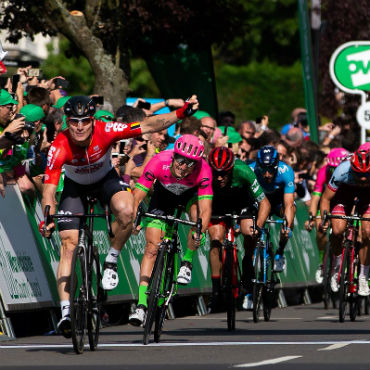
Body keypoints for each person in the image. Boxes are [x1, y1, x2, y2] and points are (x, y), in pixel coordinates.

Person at [39, 95, 199, 337]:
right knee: (68, 244)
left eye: (85, 121)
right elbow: (49, 190)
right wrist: (48, 215)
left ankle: (111, 260)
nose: (80, 127)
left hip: (105, 180)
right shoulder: (59, 146)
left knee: (127, 210)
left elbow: (147, 125)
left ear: (93, 120)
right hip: (75, 187)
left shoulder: (107, 130)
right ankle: (65, 314)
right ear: (67, 122)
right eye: (74, 122)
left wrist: (180, 114)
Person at [128, 134, 213, 326]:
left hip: (189, 197)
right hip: (163, 197)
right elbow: (138, 194)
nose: (183, 167)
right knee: (151, 248)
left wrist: (200, 230)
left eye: (190, 163)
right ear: (174, 156)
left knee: (196, 219)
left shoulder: (204, 170)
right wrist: (134, 217)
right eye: (181, 160)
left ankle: (187, 261)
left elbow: (206, 208)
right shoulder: (160, 161)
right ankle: (141, 305)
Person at [207, 146, 270, 311]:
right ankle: (215, 290)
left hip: (242, 201)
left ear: (231, 168)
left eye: (224, 173)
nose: (219, 177)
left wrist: (258, 227)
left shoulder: (243, 171)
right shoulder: (206, 173)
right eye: (216, 173)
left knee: (249, 231)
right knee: (215, 238)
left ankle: (247, 260)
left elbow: (265, 204)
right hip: (218, 203)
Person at [320, 149, 370, 297]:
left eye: (366, 174)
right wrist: (325, 218)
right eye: (359, 174)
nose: (362, 178)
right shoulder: (342, 170)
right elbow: (326, 199)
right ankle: (336, 267)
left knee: (367, 231)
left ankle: (362, 277)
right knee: (337, 230)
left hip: (368, 196)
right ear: (352, 168)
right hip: (344, 194)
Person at [304, 147, 349, 283]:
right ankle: (322, 262)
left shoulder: (349, 171)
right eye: (332, 168)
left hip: (344, 201)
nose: (335, 171)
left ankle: (346, 263)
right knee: (320, 228)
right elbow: (316, 198)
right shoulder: (323, 172)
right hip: (327, 201)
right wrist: (311, 217)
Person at [249, 146, 296, 273]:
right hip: (259, 201)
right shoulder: (251, 170)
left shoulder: (285, 171)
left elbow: (289, 203)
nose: (267, 174)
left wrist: (287, 225)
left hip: (278, 202)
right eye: (263, 170)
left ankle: (280, 252)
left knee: (290, 215)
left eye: (271, 170)